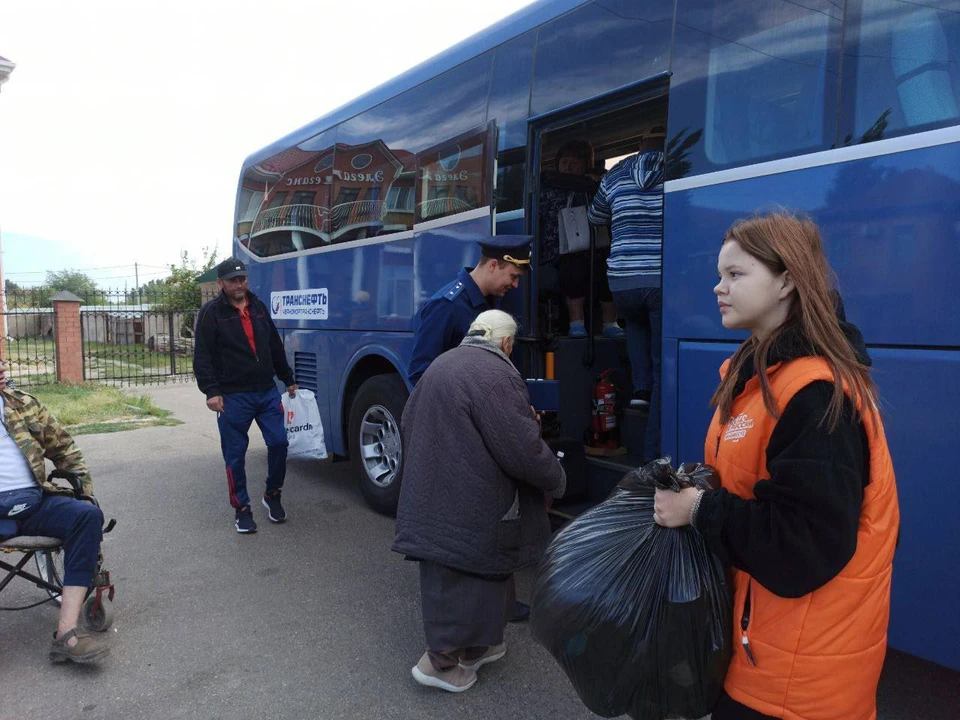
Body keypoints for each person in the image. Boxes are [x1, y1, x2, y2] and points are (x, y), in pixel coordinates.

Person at [653, 212, 899, 720]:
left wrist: (698, 508)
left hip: (796, 684)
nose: (718, 288)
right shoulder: (760, 374)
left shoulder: (814, 392)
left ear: (787, 279)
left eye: (736, 275)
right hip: (763, 651)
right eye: (719, 275)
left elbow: (801, 545)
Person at [393, 310, 566, 693]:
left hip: (433, 494)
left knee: (466, 577)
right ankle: (438, 664)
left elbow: (409, 420)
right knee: (472, 573)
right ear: (506, 343)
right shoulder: (497, 375)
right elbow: (521, 450)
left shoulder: (442, 363)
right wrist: (557, 477)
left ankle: (479, 647)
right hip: (472, 505)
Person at [0, 366, 109, 664]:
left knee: (86, 516)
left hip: (33, 502)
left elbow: (65, 449)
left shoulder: (23, 404)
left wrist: (84, 491)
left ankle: (67, 633)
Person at [193, 258, 298, 534]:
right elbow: (202, 356)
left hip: (265, 391)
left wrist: (287, 379)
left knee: (279, 443)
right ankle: (242, 509)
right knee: (235, 455)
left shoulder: (259, 307)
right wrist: (211, 391)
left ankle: (272, 495)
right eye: (232, 280)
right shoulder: (211, 314)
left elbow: (274, 345)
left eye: (242, 279)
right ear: (221, 283)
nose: (239, 284)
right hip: (232, 397)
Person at [588, 126, 665, 461]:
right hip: (659, 278)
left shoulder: (617, 173)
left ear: (640, 143)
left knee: (634, 324)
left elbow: (594, 216)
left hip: (622, 281)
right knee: (666, 363)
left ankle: (640, 391)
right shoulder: (678, 166)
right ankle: (652, 453)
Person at [406, 235, 531, 387]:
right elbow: (420, 375)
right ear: (492, 265)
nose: (516, 285)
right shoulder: (446, 306)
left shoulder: (492, 300)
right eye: (513, 277)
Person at [538, 139, 622, 338]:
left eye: (573, 162)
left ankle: (610, 323)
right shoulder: (548, 186)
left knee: (606, 265)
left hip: (593, 245)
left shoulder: (598, 185)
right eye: (564, 161)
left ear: (585, 164)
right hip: (559, 249)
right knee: (574, 265)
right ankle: (576, 324)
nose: (567, 166)